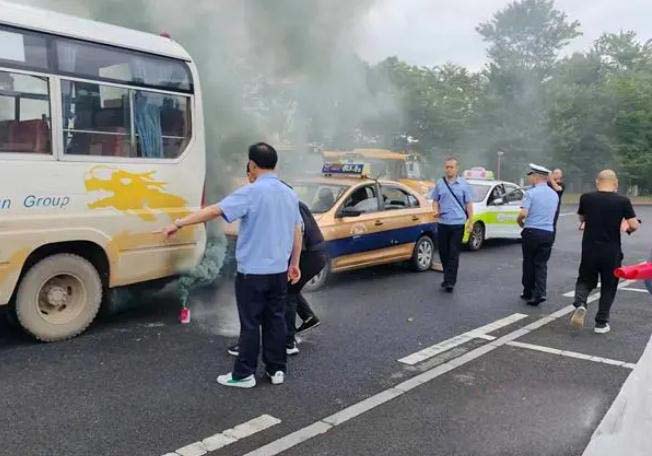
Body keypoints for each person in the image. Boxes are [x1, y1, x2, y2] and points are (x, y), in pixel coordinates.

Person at [163, 142, 303, 388]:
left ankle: (244, 374)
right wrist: (295, 263)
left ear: (252, 165)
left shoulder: (251, 192)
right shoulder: (289, 193)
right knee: (276, 321)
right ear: (275, 165)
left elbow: (215, 211)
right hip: (279, 273)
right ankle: (276, 370)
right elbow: (297, 229)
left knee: (250, 324)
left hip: (253, 274)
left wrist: (179, 223)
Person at [229, 169, 325, 357]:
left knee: (287, 294)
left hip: (308, 256)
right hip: (314, 255)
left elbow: (296, 236)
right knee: (289, 290)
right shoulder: (293, 202)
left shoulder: (290, 205)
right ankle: (307, 318)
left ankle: (287, 342)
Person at [569, 170, 639, 334]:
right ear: (616, 183)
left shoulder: (586, 198)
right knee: (609, 285)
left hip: (589, 248)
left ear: (597, 181)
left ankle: (580, 304)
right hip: (611, 250)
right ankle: (601, 323)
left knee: (585, 280)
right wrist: (626, 227)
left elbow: (582, 218)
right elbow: (634, 225)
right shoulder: (623, 201)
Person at [430, 157, 474, 292]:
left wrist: (470, 221)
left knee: (454, 252)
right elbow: (435, 200)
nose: (449, 169)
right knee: (443, 252)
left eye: (451, 167)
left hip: (458, 223)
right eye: (447, 167)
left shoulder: (464, 184)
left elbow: (469, 204)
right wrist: (436, 211)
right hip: (443, 223)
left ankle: (450, 281)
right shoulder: (440, 183)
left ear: (457, 168)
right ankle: (447, 276)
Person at [517, 164, 559, 306]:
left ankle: (528, 291)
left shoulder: (531, 193)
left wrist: (519, 222)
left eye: (531, 176)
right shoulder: (554, 194)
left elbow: (523, 213)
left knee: (529, 262)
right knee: (541, 264)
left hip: (532, 231)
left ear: (535, 177)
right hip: (548, 232)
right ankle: (540, 292)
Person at [548, 168, 565, 234]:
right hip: (546, 206)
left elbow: (557, 188)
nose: (556, 175)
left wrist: (551, 178)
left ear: (561, 175)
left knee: (553, 224)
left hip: (555, 207)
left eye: (558, 173)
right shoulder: (548, 183)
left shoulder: (561, 184)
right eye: (554, 173)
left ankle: (551, 240)